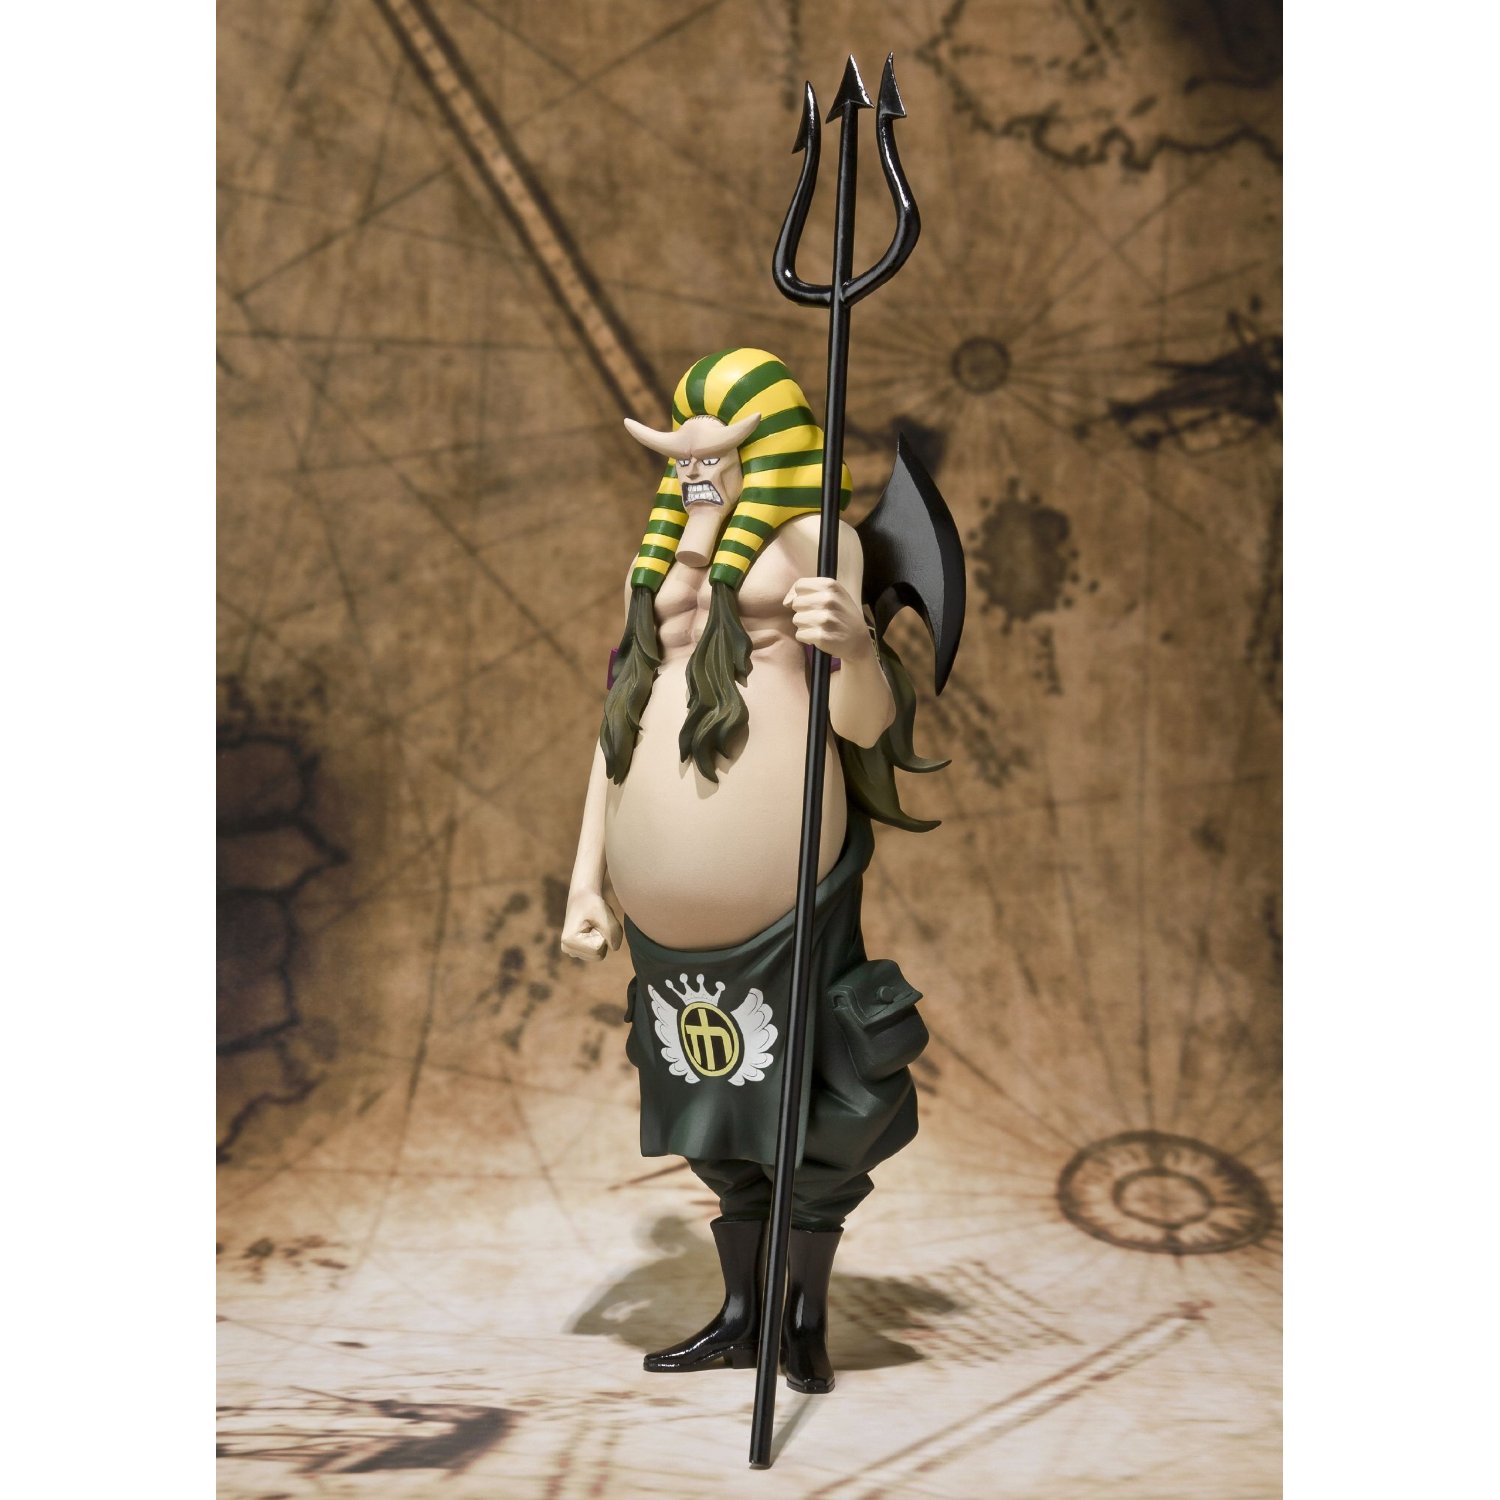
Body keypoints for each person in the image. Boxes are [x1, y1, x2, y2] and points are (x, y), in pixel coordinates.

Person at [561, 347, 945, 1394]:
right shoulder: (651, 574)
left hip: (788, 903)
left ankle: (803, 1319)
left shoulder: (820, 543)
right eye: (682, 457)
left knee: (818, 1111)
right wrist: (585, 878)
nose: (696, 473)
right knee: (712, 1111)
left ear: (764, 450)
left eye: (715, 455)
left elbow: (859, 724)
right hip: (666, 926)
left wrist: (856, 648)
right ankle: (741, 1314)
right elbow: (617, 727)